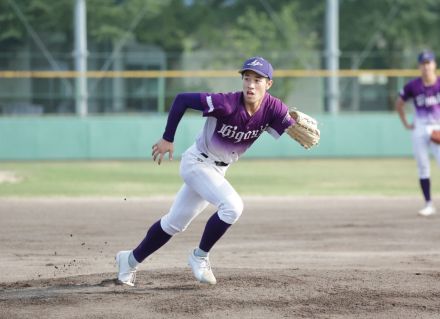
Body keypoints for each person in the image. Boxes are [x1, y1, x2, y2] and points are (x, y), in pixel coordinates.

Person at [116, 56, 300, 286]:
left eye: (258, 80)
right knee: (233, 207)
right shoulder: (226, 103)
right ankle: (199, 256)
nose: (251, 85)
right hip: (197, 163)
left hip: (218, 171)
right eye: (247, 78)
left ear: (268, 84)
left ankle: (129, 261)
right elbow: (182, 100)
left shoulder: (273, 108)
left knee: (174, 223)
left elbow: (289, 124)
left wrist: (294, 124)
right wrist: (167, 137)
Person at [396, 50, 440, 217]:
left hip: (438, 127)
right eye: (423, 63)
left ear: (434, 64)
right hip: (420, 128)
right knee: (423, 167)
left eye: (429, 63)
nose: (426, 66)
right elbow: (399, 104)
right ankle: (428, 204)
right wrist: (406, 123)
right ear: (419, 66)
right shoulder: (413, 86)